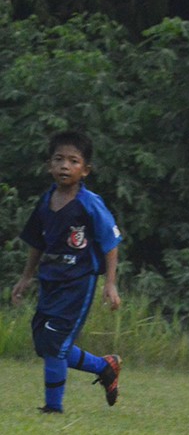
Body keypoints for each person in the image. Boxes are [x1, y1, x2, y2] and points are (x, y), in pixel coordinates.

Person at [11, 131, 123, 414]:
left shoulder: (89, 203)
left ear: (85, 170)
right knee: (45, 344)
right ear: (49, 164)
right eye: (59, 159)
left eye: (73, 161)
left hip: (78, 282)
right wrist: (26, 277)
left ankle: (53, 408)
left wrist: (110, 284)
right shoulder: (46, 202)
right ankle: (104, 366)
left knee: (56, 344)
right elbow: (37, 241)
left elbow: (110, 243)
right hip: (50, 279)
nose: (64, 166)